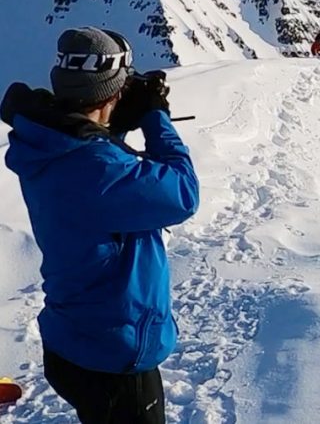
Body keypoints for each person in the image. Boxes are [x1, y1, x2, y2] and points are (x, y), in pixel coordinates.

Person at [0, 27, 200, 424]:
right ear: (112, 91)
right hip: (114, 360)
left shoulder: (46, 143)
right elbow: (183, 193)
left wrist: (111, 124)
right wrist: (156, 117)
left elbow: (92, 164)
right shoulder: (99, 170)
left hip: (71, 340)